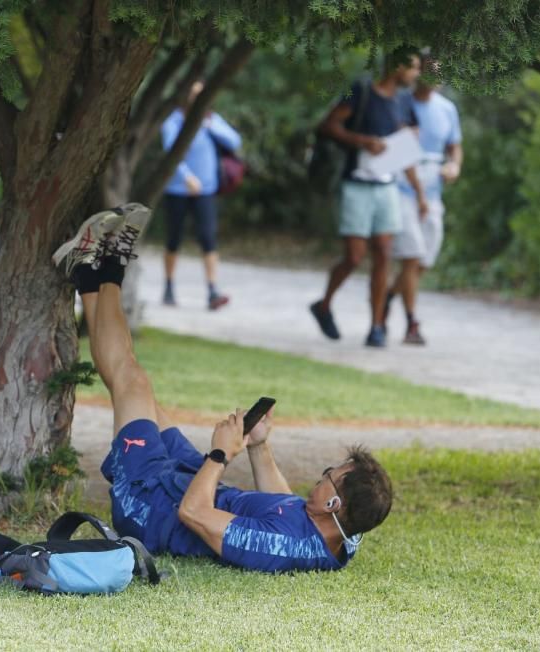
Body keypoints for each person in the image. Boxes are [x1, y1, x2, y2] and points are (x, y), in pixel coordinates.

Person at [52, 205, 394, 572]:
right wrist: (259, 446)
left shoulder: (278, 547)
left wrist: (220, 455)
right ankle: (88, 270)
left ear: (333, 506)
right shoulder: (342, 533)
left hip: (151, 509)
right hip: (185, 481)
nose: (322, 474)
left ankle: (108, 266)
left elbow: (193, 513)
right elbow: (284, 504)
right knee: (136, 388)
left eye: (330, 475)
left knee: (132, 382)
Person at [309, 49, 427, 347]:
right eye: (413, 68)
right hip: (356, 184)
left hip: (387, 186)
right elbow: (328, 125)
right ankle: (323, 306)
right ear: (397, 66)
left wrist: (419, 192)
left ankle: (376, 327)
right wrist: (362, 141)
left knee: (384, 253)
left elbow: (406, 151)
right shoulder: (361, 91)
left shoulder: (403, 102)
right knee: (354, 256)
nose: (416, 75)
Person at [386, 67, 463, 345]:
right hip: (404, 189)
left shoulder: (447, 109)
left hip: (433, 191)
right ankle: (411, 322)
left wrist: (453, 165)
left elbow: (455, 146)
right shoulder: (402, 104)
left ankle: (389, 296)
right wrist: (417, 193)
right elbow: (399, 151)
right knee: (412, 256)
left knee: (424, 260)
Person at [161, 80, 242, 310]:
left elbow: (235, 141)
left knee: (208, 238)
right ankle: (168, 286)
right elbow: (170, 151)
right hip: (178, 189)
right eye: (193, 95)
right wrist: (186, 177)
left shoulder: (210, 119)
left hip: (206, 190)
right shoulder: (173, 121)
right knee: (173, 239)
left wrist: (209, 125)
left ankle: (212, 290)